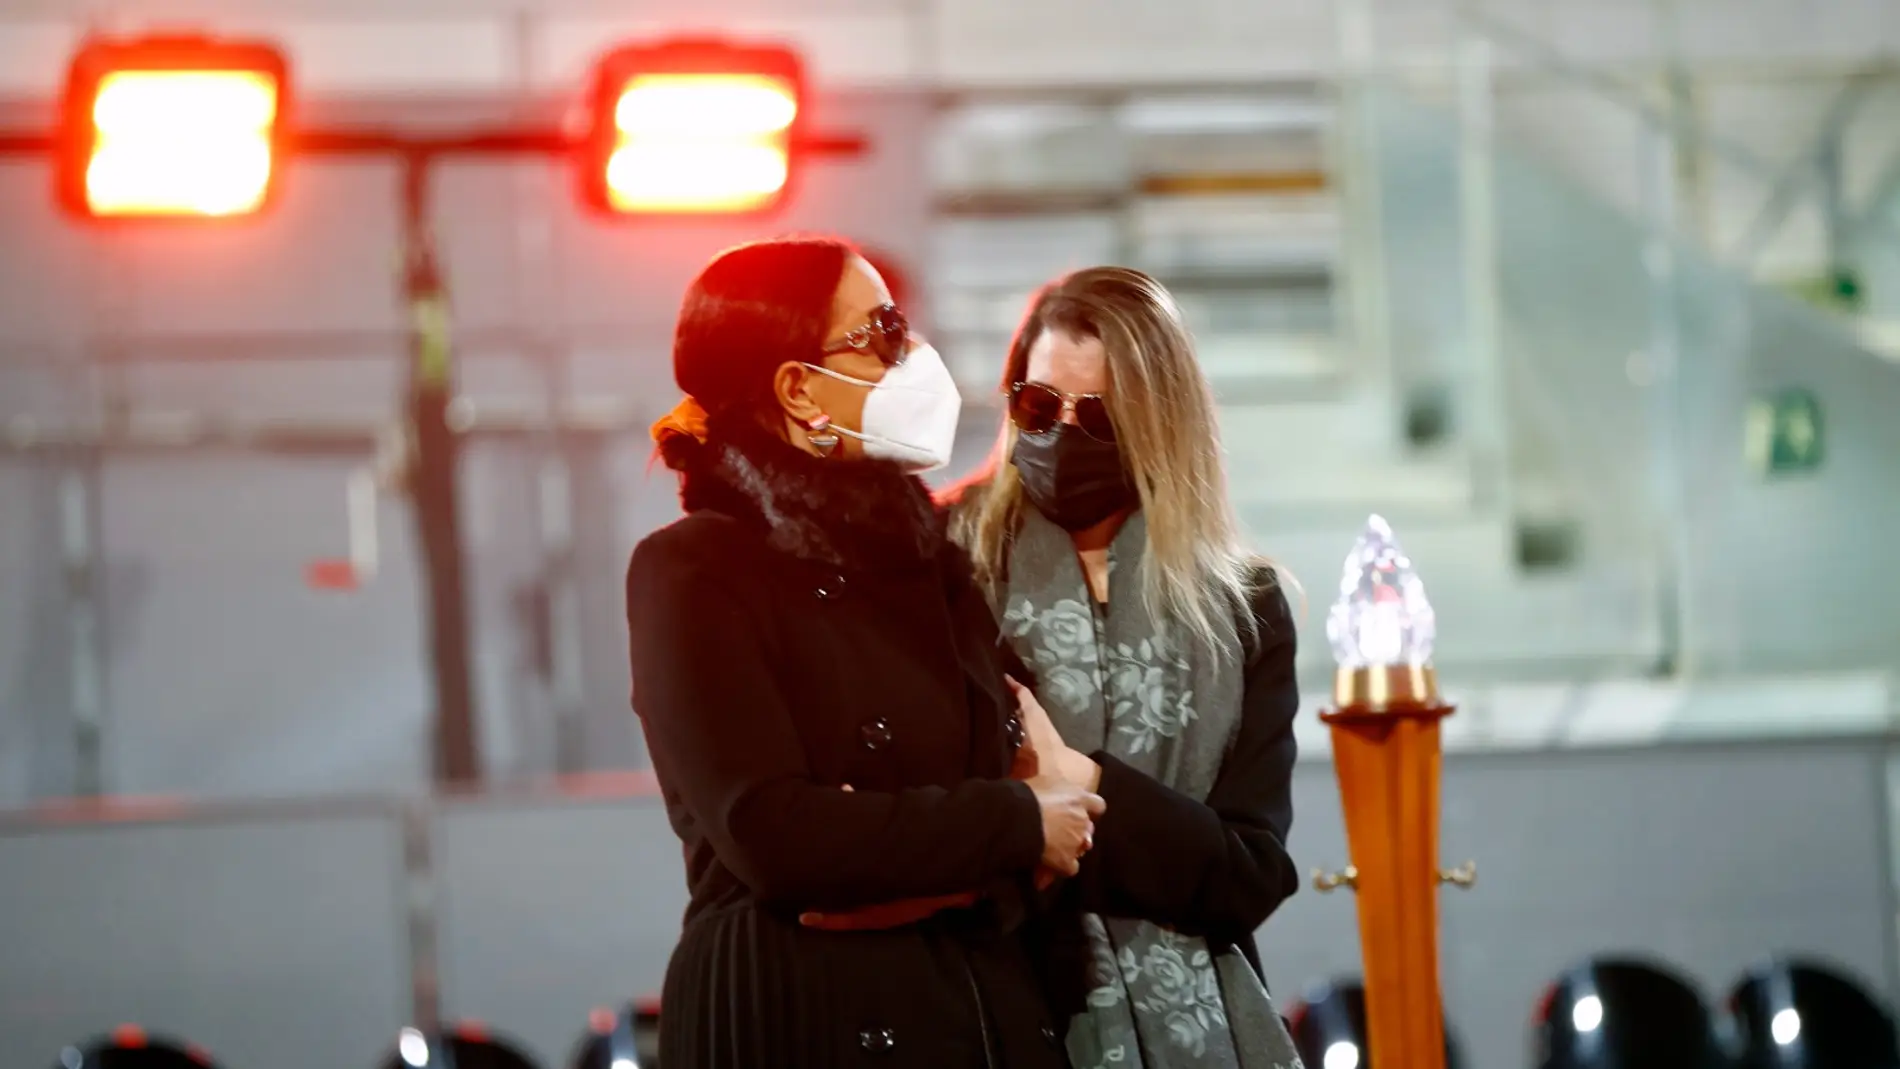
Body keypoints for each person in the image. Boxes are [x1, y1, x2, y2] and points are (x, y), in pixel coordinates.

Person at [626, 236, 1103, 1069]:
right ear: (799, 388)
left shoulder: (931, 558)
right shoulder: (694, 567)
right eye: (879, 332)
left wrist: (904, 843)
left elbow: (1030, 789)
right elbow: (775, 833)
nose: (912, 353)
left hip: (974, 1006)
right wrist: (1004, 825)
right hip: (798, 1009)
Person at [945, 267, 1304, 1068]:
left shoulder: (1242, 606)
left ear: (1159, 423)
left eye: (1098, 417)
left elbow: (1251, 872)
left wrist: (1079, 778)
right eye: (1039, 406)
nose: (1061, 434)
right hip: (994, 1008)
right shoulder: (944, 561)